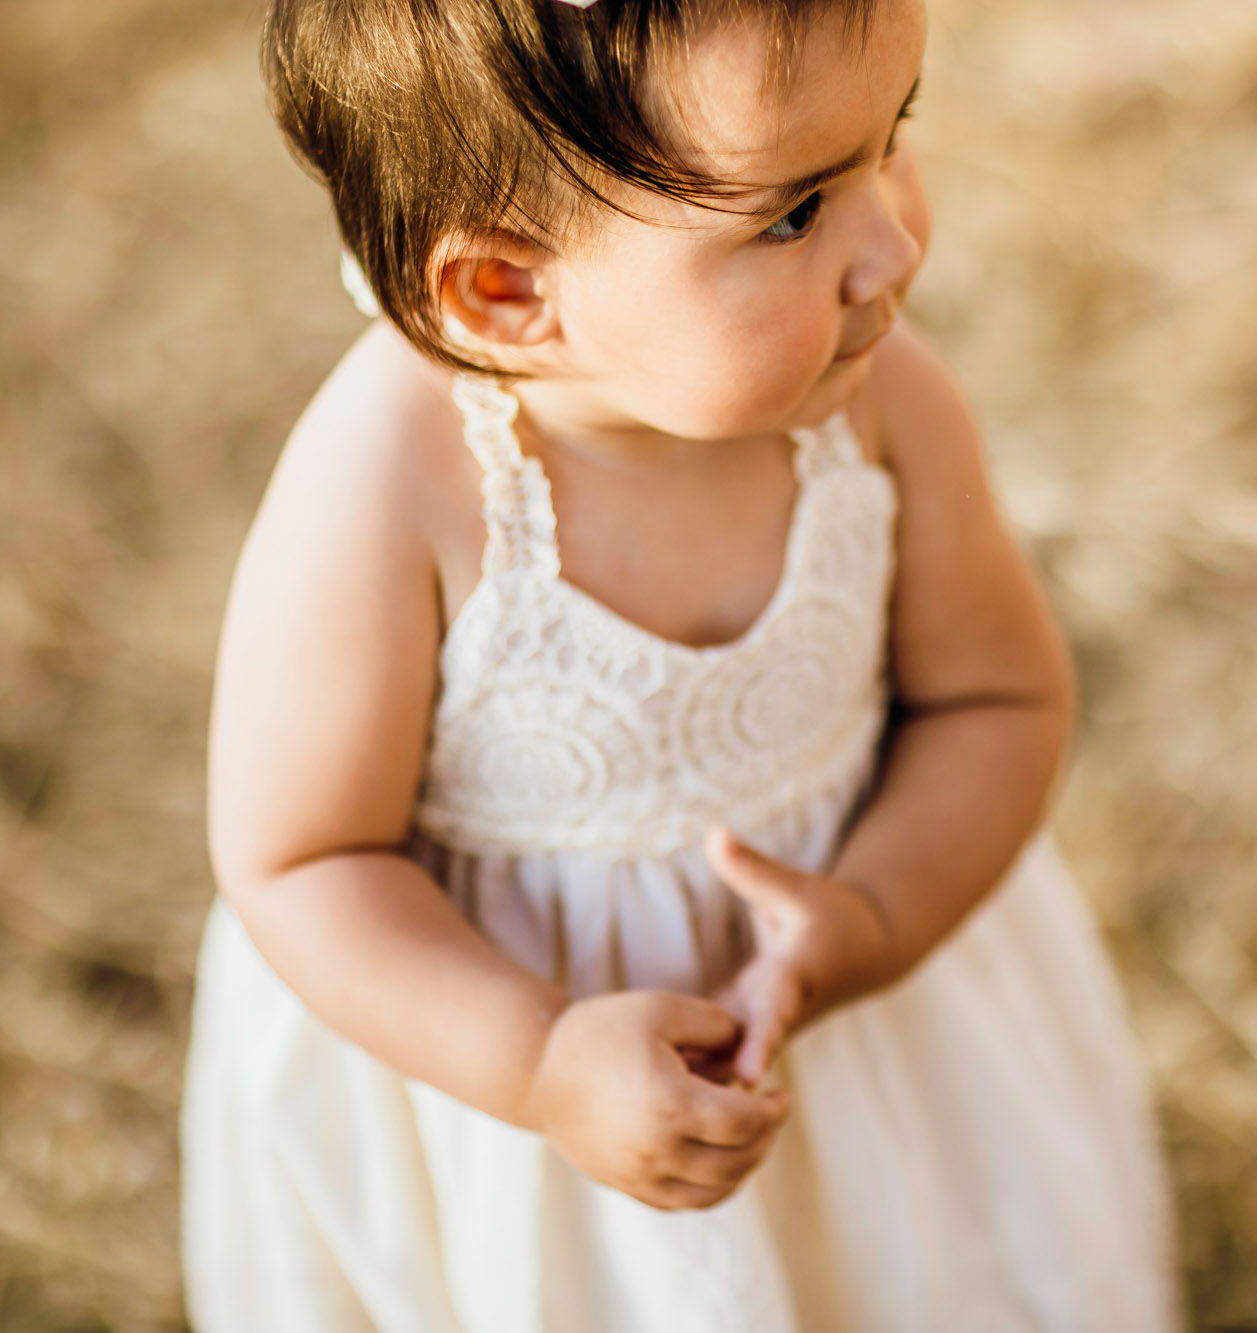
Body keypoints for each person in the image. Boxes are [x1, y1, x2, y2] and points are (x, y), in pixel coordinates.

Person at [179, 0, 1185, 1327]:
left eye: (892, 140)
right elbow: (302, 863)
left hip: (871, 1027)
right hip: (522, 1099)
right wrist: (541, 1062)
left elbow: (997, 698)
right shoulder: (390, 486)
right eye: (789, 215)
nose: (889, 247)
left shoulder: (886, 406)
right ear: (510, 290)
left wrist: (874, 918)